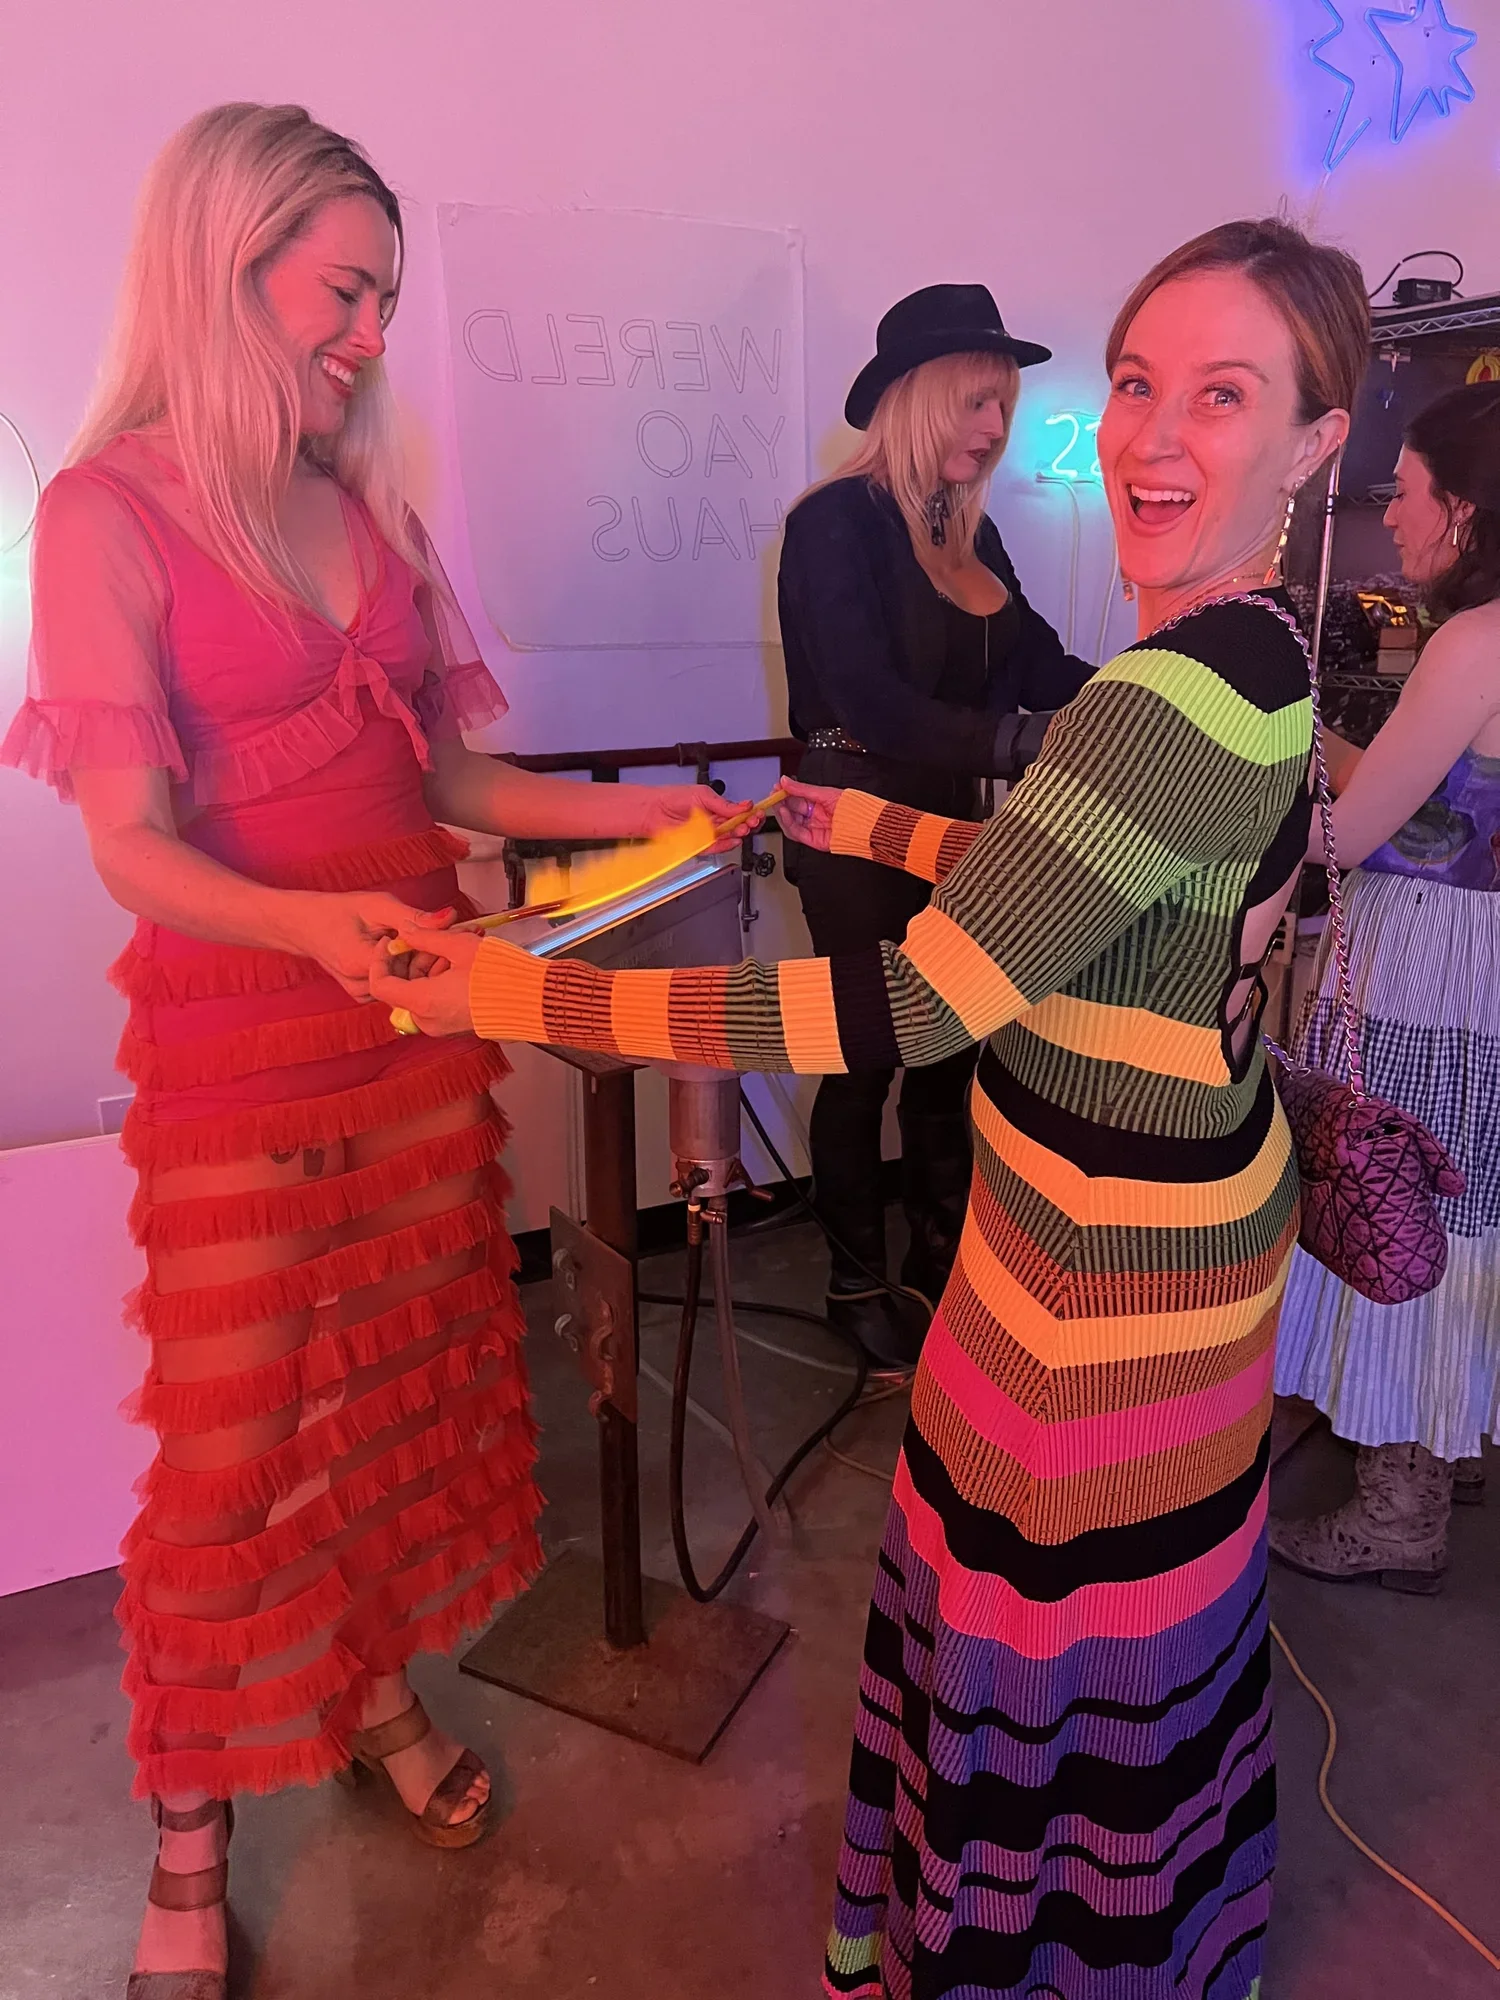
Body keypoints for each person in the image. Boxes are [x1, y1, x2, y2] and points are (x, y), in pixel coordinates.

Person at [371, 217, 1369, 2000]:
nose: (1150, 435)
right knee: (1148, 1634)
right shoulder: (1264, 655)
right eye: (1137, 383)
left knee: (1042, 1644)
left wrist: (516, 989)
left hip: (1095, 1282)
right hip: (1188, 1226)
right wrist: (898, 830)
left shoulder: (1159, 694)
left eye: (1221, 396)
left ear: (1315, 440)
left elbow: (910, 1004)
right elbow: (1102, 885)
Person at [0, 103, 747, 2000]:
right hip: (248, 1042)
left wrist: (658, 814)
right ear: (223, 261)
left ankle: (372, 1693)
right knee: (234, 1449)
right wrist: (318, 930)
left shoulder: (368, 511)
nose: (369, 334)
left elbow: (449, 782)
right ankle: (190, 1830)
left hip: (418, 1030)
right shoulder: (107, 512)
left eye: (386, 301)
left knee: (392, 1394)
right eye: (344, 290)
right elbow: (129, 841)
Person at [779, 285, 1095, 1367]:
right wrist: (1023, 741)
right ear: (915, 398)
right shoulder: (834, 522)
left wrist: (1149, 698)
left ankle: (940, 1257)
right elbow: (871, 701)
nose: (995, 427)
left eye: (1003, 405)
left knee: (952, 1052)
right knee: (865, 1057)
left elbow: (1041, 663)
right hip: (853, 822)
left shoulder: (974, 531)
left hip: (954, 826)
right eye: (975, 402)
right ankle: (854, 1281)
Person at [1272, 380, 1500, 1593]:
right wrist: (1330, 749)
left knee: (1395, 1196)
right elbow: (1447, 794)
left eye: (1407, 492)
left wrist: (1258, 780)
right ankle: (1448, 1441)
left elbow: (1355, 834)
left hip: (1430, 962)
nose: (1392, 515)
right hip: (1485, 956)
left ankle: (1399, 1505)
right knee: (1468, 1201)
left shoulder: (1473, 640)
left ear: (1465, 508)